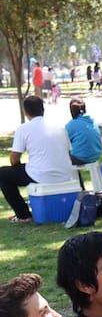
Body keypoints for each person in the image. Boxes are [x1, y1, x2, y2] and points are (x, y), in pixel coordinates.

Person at [0, 96, 74, 224]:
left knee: (3, 175)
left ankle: (23, 215)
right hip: (65, 173)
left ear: (25, 111)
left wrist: (17, 166)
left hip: (41, 174)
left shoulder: (24, 129)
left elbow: (14, 158)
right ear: (43, 110)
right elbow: (67, 152)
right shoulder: (60, 128)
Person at [65, 99, 102, 166]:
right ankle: (77, 176)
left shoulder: (71, 124)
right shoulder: (92, 122)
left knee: (61, 157)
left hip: (81, 157)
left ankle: (73, 176)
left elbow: (64, 141)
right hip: (96, 155)